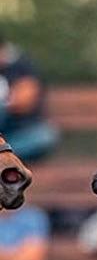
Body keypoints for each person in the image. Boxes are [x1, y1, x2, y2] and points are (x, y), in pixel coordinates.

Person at [0, 33, 57, 164]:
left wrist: (11, 102)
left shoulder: (21, 66)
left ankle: (5, 156)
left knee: (44, 136)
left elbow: (23, 102)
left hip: (20, 134)